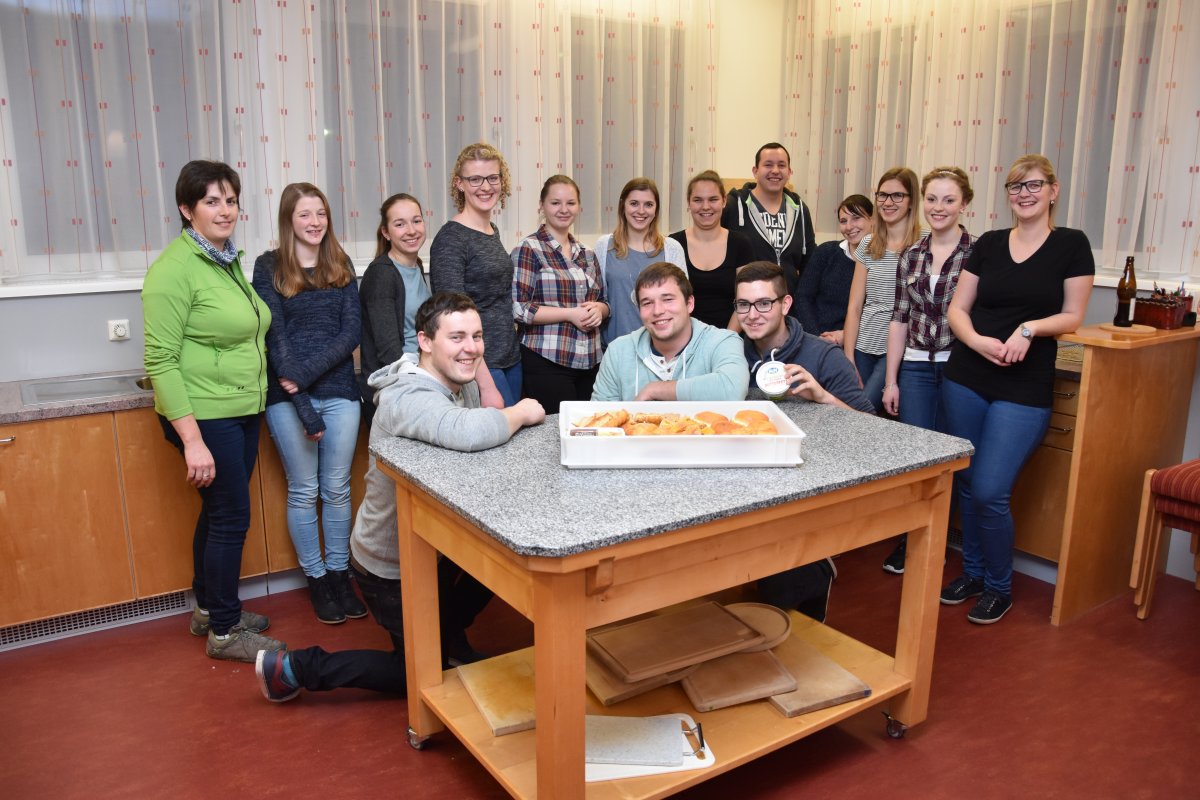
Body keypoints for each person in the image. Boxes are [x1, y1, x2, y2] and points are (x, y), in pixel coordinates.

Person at [254, 293, 546, 702]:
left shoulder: (454, 381)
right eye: (457, 337)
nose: (471, 347)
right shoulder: (407, 396)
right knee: (419, 673)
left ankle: (448, 640)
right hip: (389, 565)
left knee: (506, 561)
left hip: (435, 544)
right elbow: (468, 431)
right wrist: (522, 411)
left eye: (477, 336)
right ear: (425, 342)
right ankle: (295, 668)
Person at [939, 154, 1094, 625]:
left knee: (990, 490)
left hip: (1024, 384)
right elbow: (957, 309)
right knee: (968, 482)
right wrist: (976, 341)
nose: (1024, 194)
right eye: (1015, 187)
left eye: (1033, 185)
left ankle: (999, 587)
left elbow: (1073, 315)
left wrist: (1029, 329)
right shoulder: (988, 243)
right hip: (968, 375)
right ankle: (973, 573)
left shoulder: (1071, 244)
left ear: (1053, 190)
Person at [142, 159, 285, 662]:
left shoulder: (223, 260)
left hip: (239, 406)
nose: (225, 211)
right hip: (204, 414)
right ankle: (225, 630)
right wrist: (193, 440)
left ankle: (208, 608)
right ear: (187, 209)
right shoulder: (174, 270)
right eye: (211, 201)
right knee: (230, 517)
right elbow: (160, 360)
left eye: (231, 200)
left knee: (218, 511)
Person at [252, 182, 366, 625]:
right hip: (287, 398)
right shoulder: (268, 266)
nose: (315, 222)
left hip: (339, 393)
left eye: (321, 213)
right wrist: (300, 401)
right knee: (304, 490)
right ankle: (317, 579)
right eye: (304, 214)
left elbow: (350, 333)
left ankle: (339, 574)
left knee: (337, 488)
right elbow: (274, 338)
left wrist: (303, 374)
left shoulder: (341, 263)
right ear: (289, 219)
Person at [736, 261, 873, 620]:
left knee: (781, 590)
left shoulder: (823, 356)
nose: (753, 314)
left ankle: (814, 570)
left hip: (810, 481)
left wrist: (823, 397)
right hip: (747, 478)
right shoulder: (730, 355)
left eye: (764, 303)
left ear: (786, 304)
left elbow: (872, 430)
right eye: (744, 305)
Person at [878, 168, 976, 575]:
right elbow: (899, 318)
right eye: (932, 199)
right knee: (917, 458)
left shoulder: (978, 254)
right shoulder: (912, 255)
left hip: (960, 369)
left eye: (949, 200)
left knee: (955, 459)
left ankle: (951, 546)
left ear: (964, 204)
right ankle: (912, 539)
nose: (939, 208)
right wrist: (891, 380)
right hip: (916, 367)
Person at [510, 175, 609, 414]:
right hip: (547, 359)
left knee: (588, 428)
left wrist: (601, 310)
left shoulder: (587, 253)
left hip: (590, 360)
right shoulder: (529, 249)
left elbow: (603, 301)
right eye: (555, 203)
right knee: (555, 431)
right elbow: (519, 308)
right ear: (542, 206)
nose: (564, 209)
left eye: (570, 203)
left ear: (578, 207)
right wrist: (569, 314)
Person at [430, 142, 517, 408]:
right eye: (475, 179)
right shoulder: (451, 239)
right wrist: (486, 386)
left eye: (492, 178)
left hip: (509, 357)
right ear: (460, 184)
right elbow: (452, 316)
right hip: (478, 364)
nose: (485, 186)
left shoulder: (491, 230)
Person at [591, 262, 748, 402]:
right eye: (647, 303)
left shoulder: (723, 342)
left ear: (689, 303)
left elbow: (732, 389)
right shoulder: (618, 352)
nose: (658, 311)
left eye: (667, 299)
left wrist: (654, 390)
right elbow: (600, 417)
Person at [844, 167, 922, 412]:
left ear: (911, 201)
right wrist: (849, 356)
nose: (888, 202)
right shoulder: (868, 243)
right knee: (857, 407)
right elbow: (855, 306)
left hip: (899, 345)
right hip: (864, 344)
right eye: (882, 195)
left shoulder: (925, 242)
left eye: (897, 195)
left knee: (863, 410)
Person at [358, 193, 431, 422]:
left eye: (416, 221)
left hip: (421, 378)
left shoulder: (416, 265)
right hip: (397, 389)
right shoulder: (382, 274)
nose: (411, 230)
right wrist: (422, 382)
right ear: (386, 232)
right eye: (400, 224)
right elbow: (388, 351)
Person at [596, 177, 686, 345]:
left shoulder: (672, 248)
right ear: (623, 205)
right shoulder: (604, 246)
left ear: (656, 209)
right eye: (634, 203)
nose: (641, 211)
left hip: (661, 349)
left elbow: (682, 303)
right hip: (613, 348)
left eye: (648, 205)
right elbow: (598, 300)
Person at [721, 142, 816, 296]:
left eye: (781, 165)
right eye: (768, 165)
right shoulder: (732, 206)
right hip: (747, 303)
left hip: (789, 304)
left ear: (789, 172)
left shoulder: (800, 209)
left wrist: (803, 301)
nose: (775, 171)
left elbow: (809, 263)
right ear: (755, 171)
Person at [669, 170, 755, 330]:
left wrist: (727, 339)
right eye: (697, 200)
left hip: (730, 336)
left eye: (713, 199)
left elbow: (746, 299)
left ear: (724, 201)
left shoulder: (740, 244)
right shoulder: (674, 244)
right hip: (684, 337)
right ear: (688, 203)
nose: (705, 206)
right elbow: (668, 300)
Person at [793, 194, 874, 346]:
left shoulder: (883, 262)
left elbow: (881, 313)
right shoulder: (826, 252)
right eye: (843, 221)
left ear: (872, 220)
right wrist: (817, 337)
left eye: (856, 218)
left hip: (859, 343)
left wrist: (846, 335)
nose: (849, 227)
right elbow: (803, 297)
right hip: (814, 338)